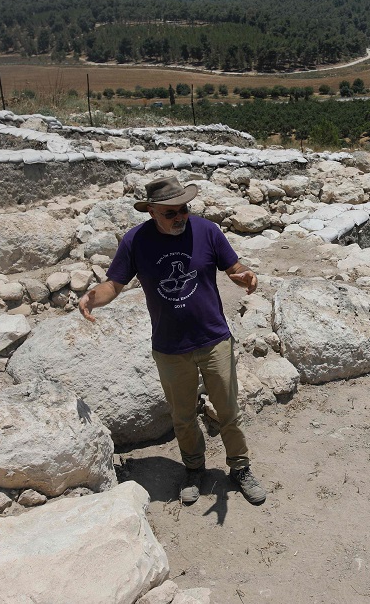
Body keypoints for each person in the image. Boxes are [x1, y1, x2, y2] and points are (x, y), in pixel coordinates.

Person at [78, 176, 266, 506]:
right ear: (151, 211)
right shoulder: (136, 241)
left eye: (183, 210)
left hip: (214, 339)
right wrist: (94, 297)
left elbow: (233, 267)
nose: (180, 217)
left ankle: (240, 468)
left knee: (228, 411)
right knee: (182, 416)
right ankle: (194, 470)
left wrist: (244, 275)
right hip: (169, 347)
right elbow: (114, 284)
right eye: (170, 213)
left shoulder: (206, 231)